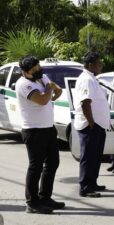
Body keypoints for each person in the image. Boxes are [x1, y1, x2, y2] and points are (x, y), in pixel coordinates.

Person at [16, 55, 64, 214]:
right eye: (34, 70)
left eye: (38, 67)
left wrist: (53, 91)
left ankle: (45, 197)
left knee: (52, 163)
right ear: (25, 72)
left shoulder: (41, 76)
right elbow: (43, 100)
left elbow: (57, 90)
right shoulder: (23, 84)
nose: (38, 71)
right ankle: (32, 202)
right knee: (35, 167)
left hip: (48, 128)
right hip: (33, 130)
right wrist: (50, 89)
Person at [74, 52, 110, 198]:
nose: (100, 66)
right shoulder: (86, 79)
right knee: (88, 157)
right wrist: (91, 123)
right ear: (90, 65)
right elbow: (85, 103)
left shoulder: (91, 78)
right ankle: (85, 187)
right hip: (90, 126)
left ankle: (92, 182)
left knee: (95, 156)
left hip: (98, 125)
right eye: (98, 63)